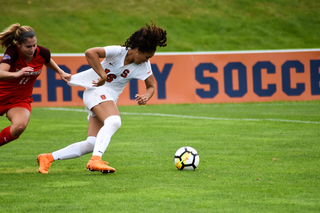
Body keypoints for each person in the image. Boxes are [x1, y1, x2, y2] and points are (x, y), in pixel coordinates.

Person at [37, 21, 167, 174]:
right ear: (138, 50)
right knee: (114, 121)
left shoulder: (143, 66)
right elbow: (90, 52)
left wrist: (146, 96)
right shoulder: (118, 52)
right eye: (147, 56)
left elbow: (151, 86)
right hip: (95, 90)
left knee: (92, 143)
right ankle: (96, 160)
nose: (148, 60)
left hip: (105, 98)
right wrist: (102, 75)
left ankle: (48, 158)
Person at [0, 23, 71, 147]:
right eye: (28, 46)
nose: (32, 49)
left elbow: (47, 60)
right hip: (1, 94)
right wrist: (16, 75)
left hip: (19, 100)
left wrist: (61, 72)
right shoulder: (13, 52)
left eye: (34, 45)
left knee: (19, 126)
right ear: (18, 44)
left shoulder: (42, 52)